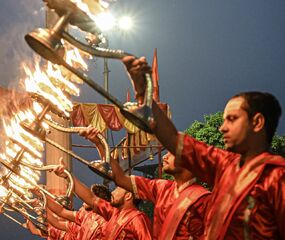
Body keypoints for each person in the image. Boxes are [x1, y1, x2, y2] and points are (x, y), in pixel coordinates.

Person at [122, 56, 285, 239]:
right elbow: (174, 140)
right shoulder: (224, 165)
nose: (222, 127)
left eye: (232, 119)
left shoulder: (278, 178)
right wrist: (144, 92)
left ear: (257, 122)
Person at [80, 127, 211, 240]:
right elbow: (119, 178)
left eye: (171, 153)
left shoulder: (204, 199)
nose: (165, 157)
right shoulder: (161, 187)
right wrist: (100, 143)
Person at [54, 160, 152, 240]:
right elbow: (91, 198)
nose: (112, 193)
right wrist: (68, 176)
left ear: (128, 196)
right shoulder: (113, 214)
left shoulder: (138, 218)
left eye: (117, 189)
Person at [46, 184, 111, 240]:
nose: (83, 202)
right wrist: (42, 197)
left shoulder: (108, 219)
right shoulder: (86, 216)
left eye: (90, 195)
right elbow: (60, 212)